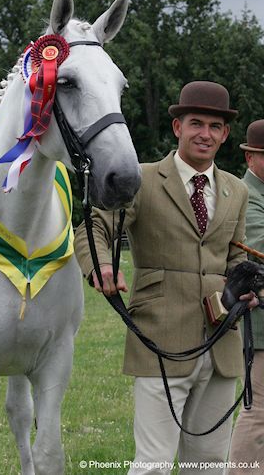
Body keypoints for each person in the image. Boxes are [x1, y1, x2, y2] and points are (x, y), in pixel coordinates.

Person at [74, 81, 257, 475]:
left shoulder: (237, 191)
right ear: (178, 128)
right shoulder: (141, 179)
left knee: (208, 464)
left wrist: (246, 289)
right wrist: (101, 266)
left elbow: (235, 255)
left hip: (221, 340)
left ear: (225, 134)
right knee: (154, 463)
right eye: (195, 123)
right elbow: (94, 226)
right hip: (159, 338)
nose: (204, 134)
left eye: (213, 126)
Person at [227, 120, 264, 474]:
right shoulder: (249, 196)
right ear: (251, 157)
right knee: (259, 412)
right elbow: (260, 251)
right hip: (260, 326)